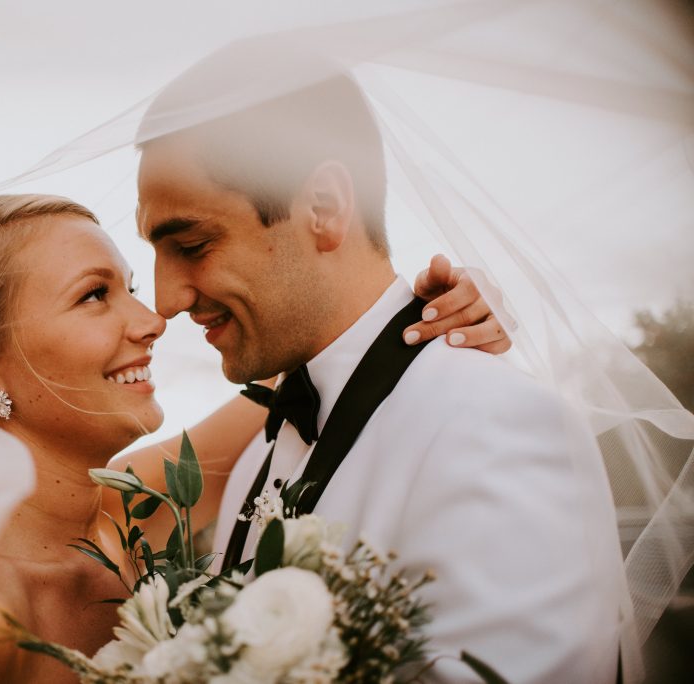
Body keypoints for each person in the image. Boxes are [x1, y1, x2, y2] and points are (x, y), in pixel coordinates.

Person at [0, 194, 506, 683]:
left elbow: (339, 361)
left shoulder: (134, 508)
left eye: (127, 287)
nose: (152, 319)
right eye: (95, 296)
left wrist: (437, 313)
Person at [133, 48, 627, 683]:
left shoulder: (497, 424)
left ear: (325, 208)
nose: (166, 299)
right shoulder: (258, 454)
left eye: (193, 245)